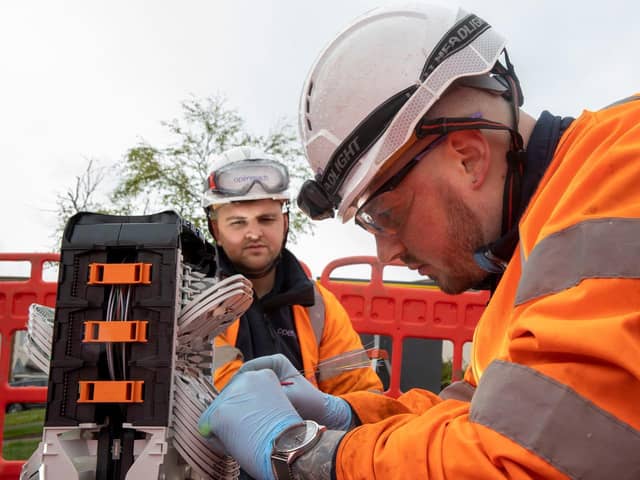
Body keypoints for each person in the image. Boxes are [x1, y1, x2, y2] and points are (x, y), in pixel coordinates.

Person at [198, 5, 640, 480]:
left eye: (386, 215)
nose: (386, 254)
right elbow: (469, 413)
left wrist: (304, 453)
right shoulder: (538, 246)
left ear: (467, 158)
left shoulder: (621, 174)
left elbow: (525, 457)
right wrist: (351, 417)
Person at [202, 146, 382, 394]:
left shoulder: (318, 306)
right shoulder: (199, 301)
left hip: (312, 432)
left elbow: (360, 392)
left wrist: (345, 414)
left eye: (267, 219)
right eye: (238, 223)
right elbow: (221, 393)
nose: (254, 233)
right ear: (216, 230)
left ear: (285, 223)